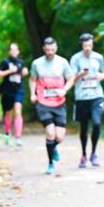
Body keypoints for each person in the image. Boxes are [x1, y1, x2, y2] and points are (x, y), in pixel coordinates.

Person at [29, 38, 77, 175]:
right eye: (47, 50)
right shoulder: (37, 63)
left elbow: (71, 78)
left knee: (60, 137)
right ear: (44, 49)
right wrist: (33, 94)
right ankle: (50, 163)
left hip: (59, 102)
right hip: (43, 102)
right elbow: (32, 79)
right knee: (50, 133)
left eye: (52, 50)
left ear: (56, 48)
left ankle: (53, 147)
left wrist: (64, 90)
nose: (50, 52)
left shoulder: (62, 62)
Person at [69, 33, 104, 168]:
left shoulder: (98, 57)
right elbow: (71, 78)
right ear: (81, 45)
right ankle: (84, 155)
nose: (87, 48)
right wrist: (81, 74)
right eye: (85, 46)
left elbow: (103, 73)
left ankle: (94, 153)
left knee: (97, 123)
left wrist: (100, 76)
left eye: (90, 45)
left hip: (96, 96)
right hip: (81, 97)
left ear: (92, 44)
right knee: (84, 128)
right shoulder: (75, 59)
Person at [0, 43, 28, 147]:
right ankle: (7, 133)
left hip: (18, 89)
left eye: (16, 50)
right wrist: (9, 71)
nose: (14, 51)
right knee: (8, 113)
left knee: (18, 111)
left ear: (18, 51)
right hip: (7, 90)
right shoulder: (5, 62)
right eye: (12, 50)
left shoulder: (21, 62)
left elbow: (23, 73)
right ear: (9, 52)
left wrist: (25, 72)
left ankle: (18, 137)